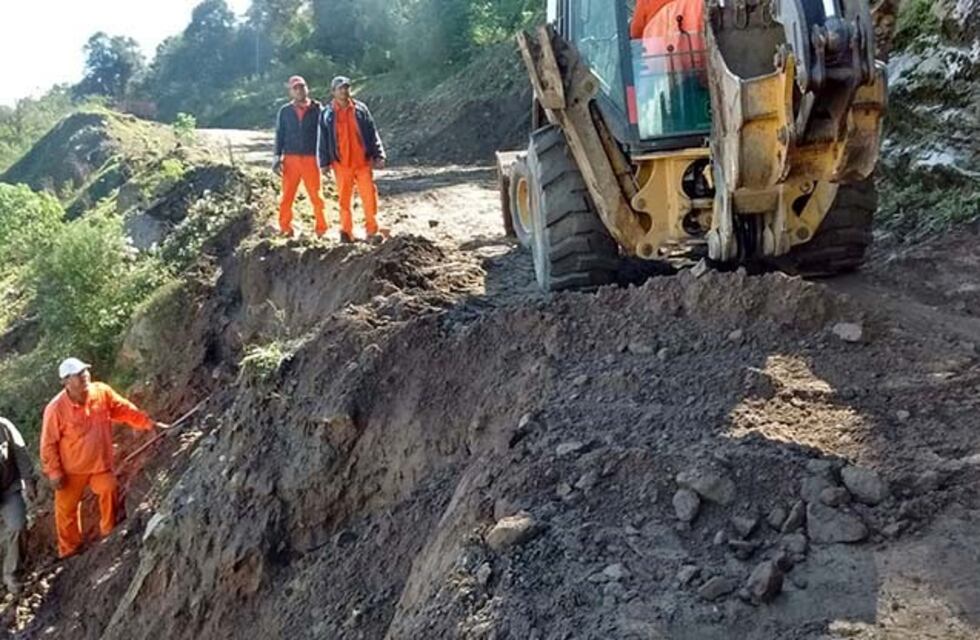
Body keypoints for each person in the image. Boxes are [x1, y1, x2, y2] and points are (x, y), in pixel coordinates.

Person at [40, 358, 169, 559]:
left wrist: (148, 423)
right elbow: (48, 443)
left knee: (109, 489)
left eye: (85, 371)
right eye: (78, 374)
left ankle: (108, 533)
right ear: (65, 382)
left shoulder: (101, 392)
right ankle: (70, 551)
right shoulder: (55, 409)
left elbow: (123, 409)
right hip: (71, 470)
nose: (84, 376)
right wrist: (54, 472)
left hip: (100, 464)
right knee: (66, 511)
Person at [318, 76, 387, 244]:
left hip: (362, 162)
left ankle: (372, 230)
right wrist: (324, 163)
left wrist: (379, 154)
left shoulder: (361, 109)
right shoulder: (327, 113)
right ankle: (346, 232)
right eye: (340, 88)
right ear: (333, 92)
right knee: (344, 199)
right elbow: (323, 139)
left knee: (369, 197)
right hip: (341, 164)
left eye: (346, 87)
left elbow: (372, 132)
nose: (344, 91)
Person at [274, 75, 327, 237]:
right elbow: (279, 134)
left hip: (312, 158)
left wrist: (326, 158)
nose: (299, 90)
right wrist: (277, 157)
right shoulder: (284, 111)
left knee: (316, 195)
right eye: (295, 88)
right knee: (287, 196)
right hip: (290, 158)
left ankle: (321, 228)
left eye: (302, 87)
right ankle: (285, 228)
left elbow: (326, 134)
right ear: (290, 91)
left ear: (307, 88)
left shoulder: (318, 108)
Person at [0, 416, 38, 594]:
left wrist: (28, 482)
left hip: (8, 488)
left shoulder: (4, 426)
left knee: (18, 526)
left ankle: (12, 573)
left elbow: (20, 453)